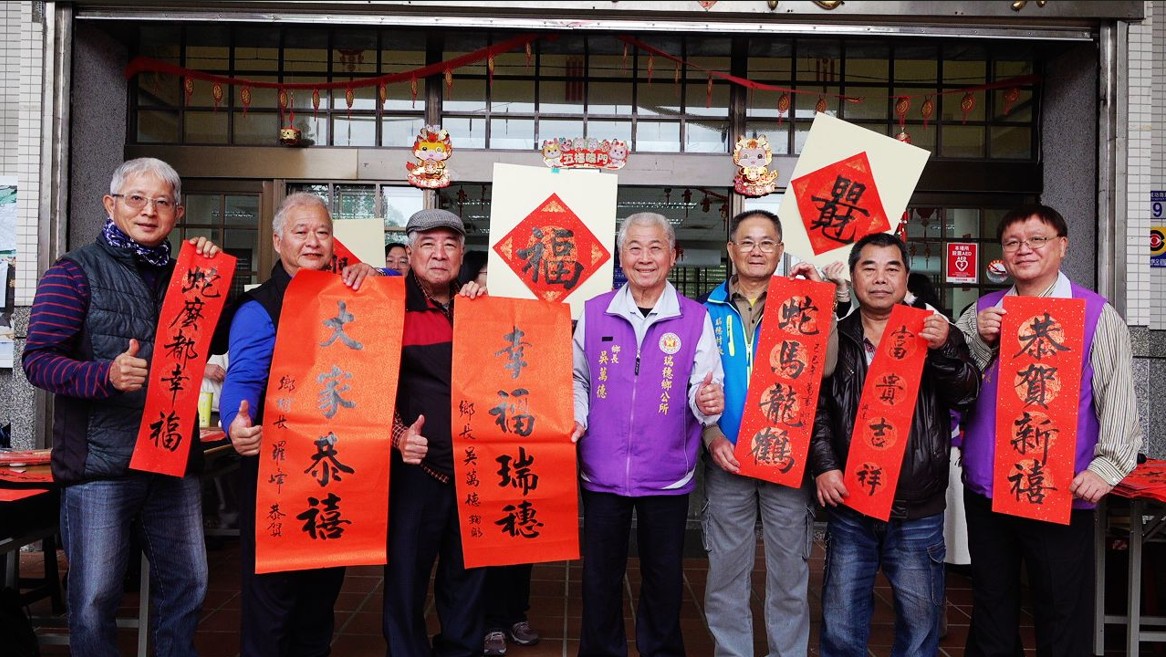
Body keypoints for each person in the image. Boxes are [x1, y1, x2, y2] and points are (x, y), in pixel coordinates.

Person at [22, 157, 218, 657]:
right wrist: (102, 375)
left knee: (188, 585)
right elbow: (38, 360)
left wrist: (209, 269)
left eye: (162, 202)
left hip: (172, 459)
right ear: (111, 205)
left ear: (178, 212)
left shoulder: (187, 278)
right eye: (136, 199)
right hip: (100, 465)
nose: (149, 211)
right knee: (94, 597)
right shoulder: (74, 272)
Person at [954, 204, 1143, 657]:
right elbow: (952, 388)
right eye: (1014, 242)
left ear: (1062, 246)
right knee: (993, 606)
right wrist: (979, 340)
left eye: (1037, 239)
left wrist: (1107, 466)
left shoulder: (1096, 314)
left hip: (1059, 489)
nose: (1025, 250)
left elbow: (1118, 394)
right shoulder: (982, 312)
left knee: (1062, 610)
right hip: (989, 489)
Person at [220, 192, 380, 657]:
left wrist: (372, 277)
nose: (313, 241)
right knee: (273, 599)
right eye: (301, 231)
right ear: (277, 241)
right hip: (278, 472)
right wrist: (235, 421)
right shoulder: (259, 306)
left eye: (323, 232)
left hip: (332, 470)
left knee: (320, 598)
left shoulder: (351, 297)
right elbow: (244, 376)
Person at [810, 232, 979, 657]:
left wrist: (943, 350)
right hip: (851, 500)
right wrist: (825, 465)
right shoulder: (836, 337)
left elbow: (968, 394)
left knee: (920, 628)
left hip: (916, 505)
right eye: (869, 267)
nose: (880, 278)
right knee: (841, 623)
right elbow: (816, 408)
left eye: (892, 268)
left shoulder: (937, 331)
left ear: (906, 278)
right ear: (852, 276)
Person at [571, 212, 725, 657]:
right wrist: (579, 418)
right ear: (621, 256)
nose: (645, 258)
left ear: (672, 256)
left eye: (655, 247)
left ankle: (660, 650)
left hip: (667, 471)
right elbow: (577, 378)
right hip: (601, 469)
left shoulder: (695, 318)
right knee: (600, 575)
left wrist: (707, 403)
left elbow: (704, 387)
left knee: (662, 575)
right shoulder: (594, 312)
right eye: (635, 248)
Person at [700, 209, 842, 657]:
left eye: (766, 242)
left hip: (786, 457)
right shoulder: (707, 309)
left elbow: (829, 367)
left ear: (780, 251)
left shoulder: (800, 302)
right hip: (728, 457)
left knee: (788, 574)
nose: (756, 250)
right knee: (725, 573)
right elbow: (695, 383)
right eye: (747, 241)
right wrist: (710, 436)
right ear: (731, 250)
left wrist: (825, 304)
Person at [383, 208, 488, 657]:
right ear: (409, 253)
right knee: (406, 578)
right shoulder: (386, 305)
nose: (439, 254)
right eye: (427, 244)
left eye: (449, 244)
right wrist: (399, 435)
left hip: (476, 467)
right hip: (416, 471)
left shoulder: (481, 308)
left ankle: (461, 650)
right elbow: (363, 384)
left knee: (468, 576)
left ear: (462, 254)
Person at [461, 246, 542, 657]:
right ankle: (490, 620)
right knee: (484, 538)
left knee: (521, 532)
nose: (495, 281)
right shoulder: (466, 315)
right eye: (487, 273)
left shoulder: (529, 319)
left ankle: (516, 612)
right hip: (480, 445)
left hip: (523, 441)